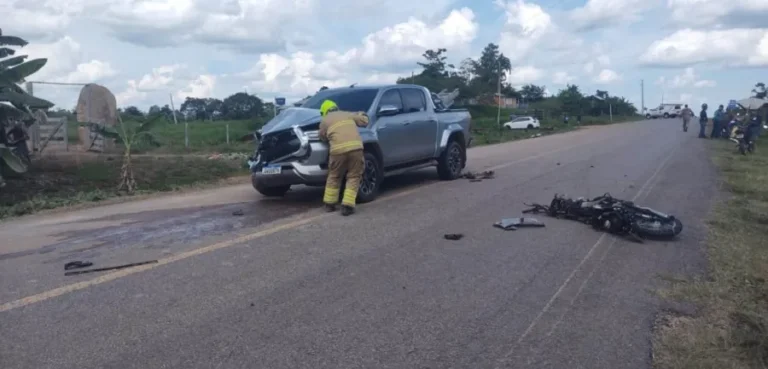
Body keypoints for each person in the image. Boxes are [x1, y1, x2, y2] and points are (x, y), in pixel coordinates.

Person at [318, 99, 369, 216]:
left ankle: (329, 204)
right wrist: (362, 113)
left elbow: (322, 137)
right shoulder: (347, 114)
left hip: (338, 151)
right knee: (354, 176)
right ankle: (347, 206)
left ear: (324, 112)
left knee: (334, 176)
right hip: (356, 149)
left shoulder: (324, 121)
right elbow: (364, 121)